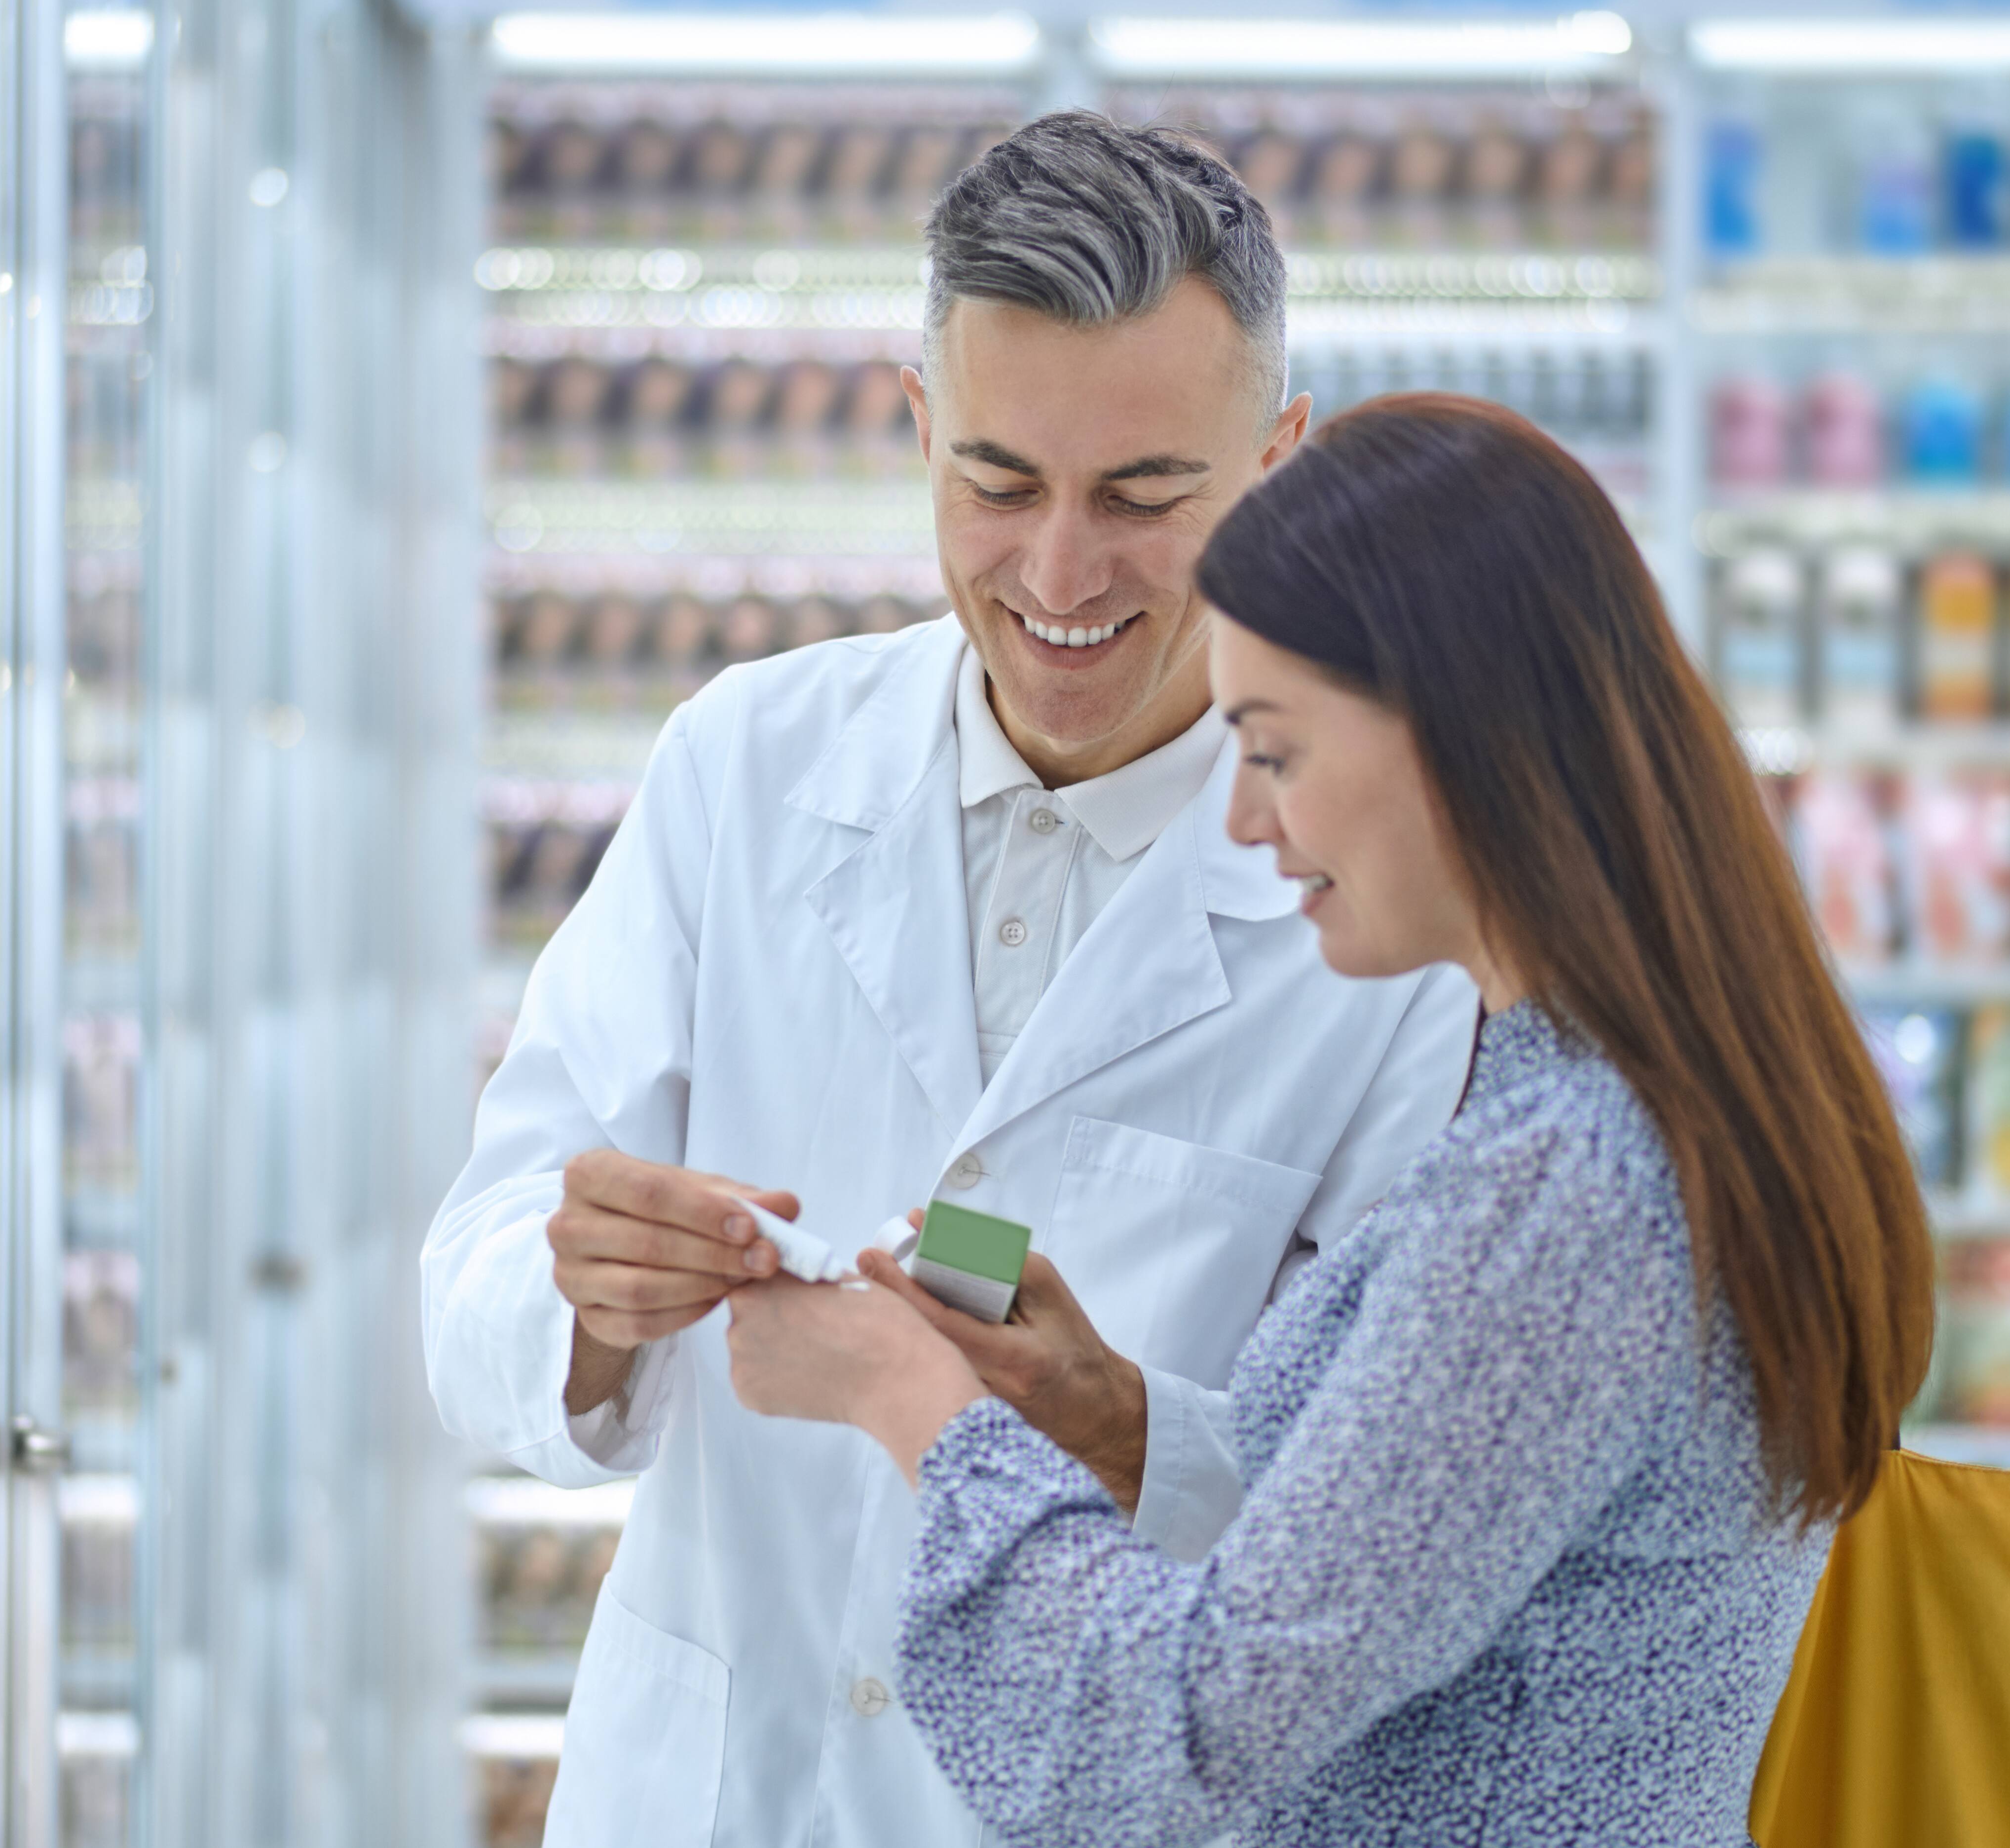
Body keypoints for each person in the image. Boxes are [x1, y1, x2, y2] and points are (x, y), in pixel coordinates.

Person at [420, 115, 1478, 1848]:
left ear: (1279, 466)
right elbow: (472, 1284)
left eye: (1146, 497)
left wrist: (1123, 1421)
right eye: (997, 484)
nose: (1060, 576)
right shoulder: (745, 764)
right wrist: (594, 1302)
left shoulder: (1388, 905)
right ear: (917, 428)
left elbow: (1383, 1527)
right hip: (722, 1786)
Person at [724, 393, 1939, 1846]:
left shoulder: (1565, 1183)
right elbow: (1436, 1541)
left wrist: (906, 1400)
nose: (1244, 821)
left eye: (1276, 748)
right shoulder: (1619, 1094)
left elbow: (1176, 1739)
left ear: (1467, 732)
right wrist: (1104, 1411)